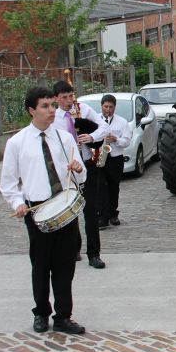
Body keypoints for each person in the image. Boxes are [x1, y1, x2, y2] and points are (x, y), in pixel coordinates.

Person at [0, 87, 87, 334]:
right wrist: (18, 204)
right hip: (37, 212)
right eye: (45, 106)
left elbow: (81, 177)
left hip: (65, 211)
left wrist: (78, 169)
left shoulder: (65, 138)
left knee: (65, 266)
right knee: (41, 266)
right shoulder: (17, 142)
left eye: (52, 105)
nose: (51, 110)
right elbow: (8, 183)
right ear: (32, 110)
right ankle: (41, 312)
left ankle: (63, 316)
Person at [52, 80, 109, 269]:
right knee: (69, 211)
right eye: (64, 98)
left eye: (71, 96)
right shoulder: (54, 117)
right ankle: (73, 249)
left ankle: (94, 254)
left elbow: (104, 127)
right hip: (66, 170)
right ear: (56, 99)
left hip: (87, 165)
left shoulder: (83, 109)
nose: (69, 101)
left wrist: (91, 137)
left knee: (90, 211)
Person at [97, 94, 132, 228]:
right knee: (100, 187)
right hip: (100, 157)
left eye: (111, 107)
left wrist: (116, 140)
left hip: (115, 158)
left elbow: (127, 141)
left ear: (115, 107)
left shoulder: (122, 122)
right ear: (102, 106)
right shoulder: (95, 120)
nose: (108, 109)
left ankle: (113, 214)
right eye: (106, 106)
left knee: (113, 187)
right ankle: (102, 216)